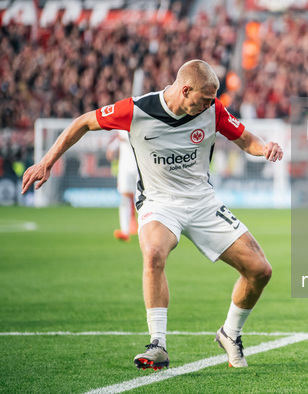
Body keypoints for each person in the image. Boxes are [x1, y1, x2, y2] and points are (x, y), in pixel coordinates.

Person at [21, 59, 283, 370]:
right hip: (159, 202)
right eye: (205, 99)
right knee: (155, 252)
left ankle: (230, 333)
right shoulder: (136, 110)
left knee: (260, 270)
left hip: (202, 202)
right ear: (185, 90)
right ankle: (158, 344)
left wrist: (264, 148)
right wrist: (46, 162)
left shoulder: (213, 110)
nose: (210, 105)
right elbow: (82, 122)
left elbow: (244, 138)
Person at [106, 129, 138, 242]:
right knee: (125, 197)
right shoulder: (121, 127)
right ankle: (125, 231)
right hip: (125, 166)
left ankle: (142, 227)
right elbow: (119, 138)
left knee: (142, 196)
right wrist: (111, 148)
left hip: (141, 165)